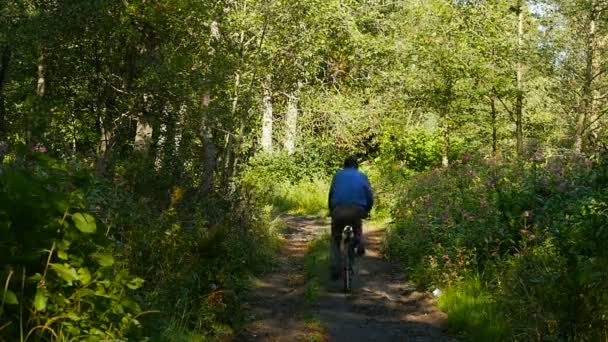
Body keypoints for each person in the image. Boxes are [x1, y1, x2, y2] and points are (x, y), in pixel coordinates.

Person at [328, 156, 374, 280]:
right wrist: (368, 209)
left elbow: (331, 194)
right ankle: (359, 242)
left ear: (344, 165)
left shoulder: (337, 175)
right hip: (357, 210)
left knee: (335, 237)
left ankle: (335, 267)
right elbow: (369, 195)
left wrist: (331, 210)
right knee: (357, 224)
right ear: (356, 166)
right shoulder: (362, 176)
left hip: (338, 209)